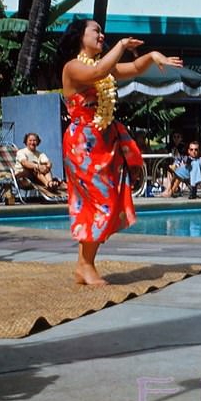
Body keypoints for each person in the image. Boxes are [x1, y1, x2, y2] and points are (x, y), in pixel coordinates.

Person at [58, 18, 182, 286]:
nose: (101, 35)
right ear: (81, 36)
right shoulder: (73, 67)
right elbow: (98, 73)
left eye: (102, 32)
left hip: (104, 143)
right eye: (96, 31)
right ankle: (85, 265)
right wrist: (122, 44)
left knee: (103, 204)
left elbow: (134, 68)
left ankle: (84, 265)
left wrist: (151, 55)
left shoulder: (103, 66)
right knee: (101, 203)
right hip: (83, 146)